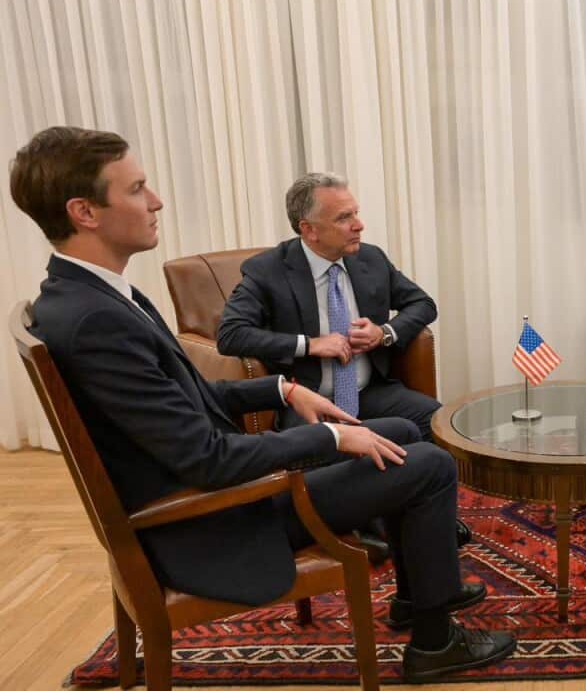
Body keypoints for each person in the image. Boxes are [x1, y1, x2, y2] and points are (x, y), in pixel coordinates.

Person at [12, 127, 513, 680]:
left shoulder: (88, 298)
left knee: (402, 430)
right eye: (136, 188)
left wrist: (283, 389)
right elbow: (209, 459)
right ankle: (436, 644)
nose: (156, 201)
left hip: (215, 495)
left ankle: (418, 601)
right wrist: (332, 435)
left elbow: (191, 400)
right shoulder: (96, 321)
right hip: (213, 520)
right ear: (84, 211)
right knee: (430, 464)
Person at [217, 172, 440, 441]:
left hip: (369, 392)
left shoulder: (371, 258)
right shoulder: (268, 270)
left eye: (356, 213)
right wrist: (309, 345)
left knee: (438, 423)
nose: (359, 225)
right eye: (344, 218)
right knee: (325, 446)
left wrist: (384, 333)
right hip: (306, 399)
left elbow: (423, 303)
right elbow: (231, 334)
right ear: (309, 229)